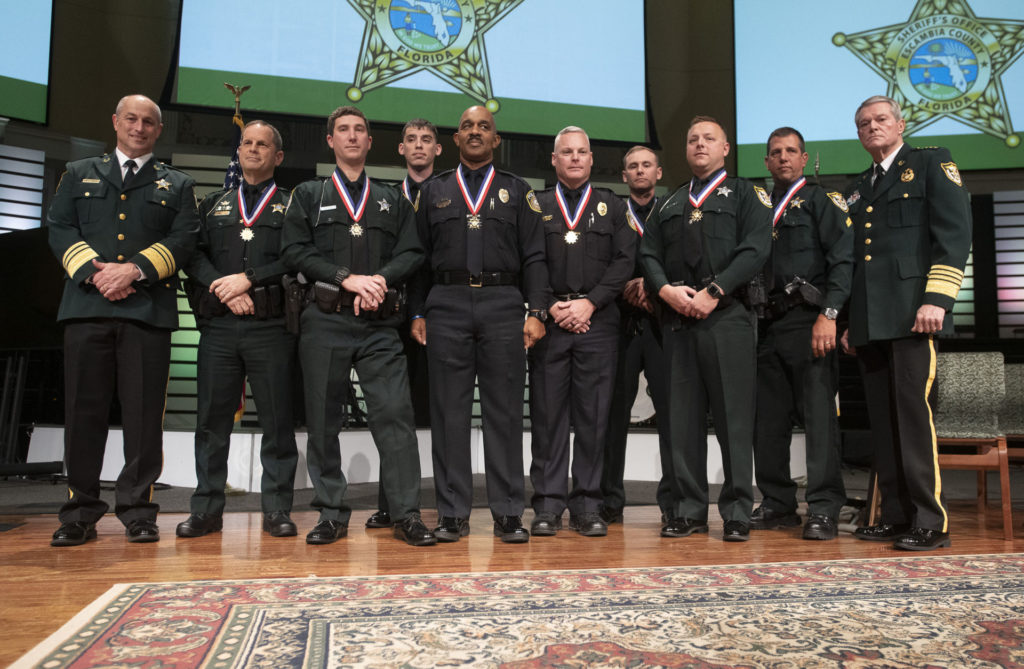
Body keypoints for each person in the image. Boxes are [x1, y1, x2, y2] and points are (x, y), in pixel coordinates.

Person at [47, 94, 199, 546]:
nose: (139, 127)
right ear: (115, 122)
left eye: (148, 122)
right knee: (82, 413)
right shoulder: (78, 174)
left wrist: (133, 270)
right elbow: (60, 228)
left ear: (158, 130)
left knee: (144, 417)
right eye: (131, 119)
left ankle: (137, 510)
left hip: (146, 311)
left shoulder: (178, 184)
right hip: (87, 307)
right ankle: (79, 511)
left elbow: (185, 238)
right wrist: (100, 274)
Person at [280, 105, 435, 547]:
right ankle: (331, 512)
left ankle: (406, 513)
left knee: (395, 417)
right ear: (331, 141)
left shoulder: (392, 198)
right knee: (324, 422)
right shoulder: (308, 195)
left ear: (370, 142)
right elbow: (294, 251)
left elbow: (413, 252)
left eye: (360, 130)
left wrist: (382, 278)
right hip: (324, 320)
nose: (352, 137)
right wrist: (345, 278)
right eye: (343, 130)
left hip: (379, 326)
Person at [409, 105, 548, 543]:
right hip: (446, 304)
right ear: (455, 138)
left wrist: (537, 312)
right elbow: (417, 259)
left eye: (483, 127)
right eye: (467, 126)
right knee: (448, 412)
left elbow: (535, 258)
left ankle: (508, 511)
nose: (474, 132)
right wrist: (416, 311)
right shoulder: (432, 191)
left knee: (504, 412)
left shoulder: (518, 191)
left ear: (495, 139)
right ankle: (451, 513)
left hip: (504, 303)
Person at [841, 95, 971, 551]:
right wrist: (849, 320)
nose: (872, 127)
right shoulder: (859, 186)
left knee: (914, 418)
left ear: (900, 123)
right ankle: (896, 515)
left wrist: (938, 298)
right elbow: (858, 260)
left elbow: (954, 235)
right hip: (871, 321)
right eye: (863, 124)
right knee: (884, 421)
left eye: (880, 120)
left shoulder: (931, 164)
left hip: (916, 315)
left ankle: (930, 521)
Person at [640, 116, 771, 541]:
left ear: (725, 148)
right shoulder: (670, 201)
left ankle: (736, 510)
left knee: (734, 419)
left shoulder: (747, 193)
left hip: (728, 316)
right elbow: (649, 254)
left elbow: (756, 248)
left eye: (708, 139)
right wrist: (664, 292)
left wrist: (714, 290)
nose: (700, 145)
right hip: (679, 320)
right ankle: (689, 509)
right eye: (693, 139)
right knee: (682, 420)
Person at [176, 121, 299, 539]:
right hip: (220, 328)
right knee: (211, 422)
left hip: (271, 327)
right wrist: (223, 288)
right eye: (247, 143)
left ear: (277, 157)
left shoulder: (292, 206)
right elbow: (193, 257)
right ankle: (206, 509)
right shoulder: (212, 204)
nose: (253, 149)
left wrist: (249, 279)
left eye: (262, 144)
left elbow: (299, 257)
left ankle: (278, 509)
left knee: (278, 423)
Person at [528, 127, 635, 537]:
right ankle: (548, 505)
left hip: (598, 323)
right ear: (553, 160)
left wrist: (590, 302)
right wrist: (548, 307)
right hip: (551, 323)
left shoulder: (612, 206)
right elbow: (529, 260)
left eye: (581, 152)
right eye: (566, 152)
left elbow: (625, 262)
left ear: (591, 159)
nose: (574, 158)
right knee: (548, 418)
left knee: (593, 419)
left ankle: (588, 505)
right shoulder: (534, 206)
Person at [751, 127, 853, 540]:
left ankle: (825, 507)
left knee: (818, 420)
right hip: (764, 323)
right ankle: (778, 503)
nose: (783, 158)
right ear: (766, 162)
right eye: (775, 152)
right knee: (768, 422)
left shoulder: (822, 201)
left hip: (809, 321)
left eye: (791, 151)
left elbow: (843, 261)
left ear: (805, 158)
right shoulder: (757, 205)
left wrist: (830, 315)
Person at [366, 117, 443, 530]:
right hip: (392, 316)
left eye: (426, 140)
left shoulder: (451, 196)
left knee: (443, 414)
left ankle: (446, 505)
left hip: (440, 315)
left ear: (437, 150)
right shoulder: (384, 199)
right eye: (411, 140)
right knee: (391, 412)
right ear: (400, 149)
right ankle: (391, 505)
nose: (418, 146)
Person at [599, 146, 675, 525]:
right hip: (621, 324)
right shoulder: (613, 213)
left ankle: (674, 502)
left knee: (673, 416)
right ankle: (609, 499)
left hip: (664, 324)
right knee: (612, 416)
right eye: (633, 166)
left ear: (658, 173)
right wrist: (626, 286)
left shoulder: (675, 210)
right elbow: (600, 262)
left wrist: (655, 285)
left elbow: (683, 260)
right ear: (624, 175)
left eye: (647, 165)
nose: (640, 171)